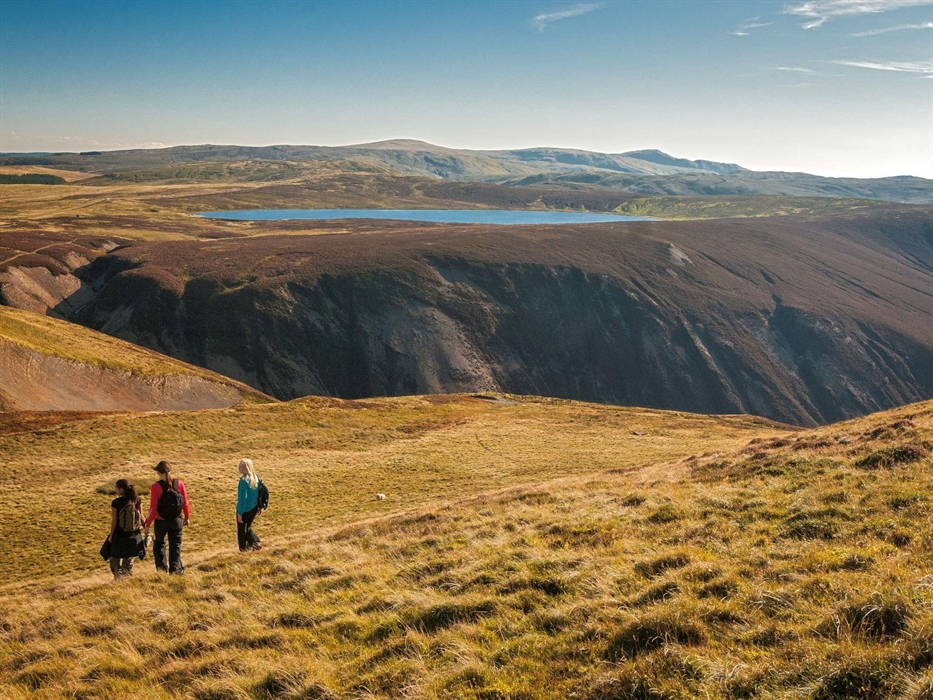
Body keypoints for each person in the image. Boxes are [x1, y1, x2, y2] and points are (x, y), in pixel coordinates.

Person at [143, 460, 190, 574]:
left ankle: (162, 571)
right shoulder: (179, 484)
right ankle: (175, 570)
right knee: (175, 545)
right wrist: (187, 517)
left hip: (161, 521)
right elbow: (185, 503)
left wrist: (147, 525)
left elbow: (153, 509)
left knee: (159, 545)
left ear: (159, 472)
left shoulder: (156, 487)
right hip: (176, 519)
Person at [107, 479, 143, 580]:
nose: (115, 490)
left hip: (119, 535)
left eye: (116, 488)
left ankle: (118, 578)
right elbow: (142, 517)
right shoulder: (137, 499)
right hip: (133, 535)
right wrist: (146, 529)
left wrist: (111, 535)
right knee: (129, 559)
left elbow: (114, 521)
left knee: (114, 558)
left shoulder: (116, 502)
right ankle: (127, 580)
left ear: (121, 489)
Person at [236, 458, 263, 551]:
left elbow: (242, 499)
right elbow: (259, 493)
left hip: (245, 510)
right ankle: (254, 543)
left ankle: (243, 549)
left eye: (240, 467)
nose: (239, 468)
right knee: (248, 527)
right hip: (254, 508)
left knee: (241, 531)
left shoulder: (243, 481)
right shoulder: (256, 477)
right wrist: (260, 507)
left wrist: (240, 513)